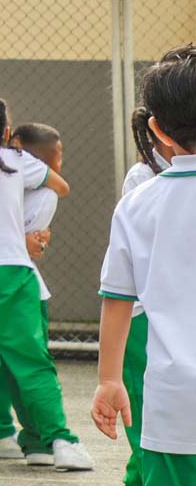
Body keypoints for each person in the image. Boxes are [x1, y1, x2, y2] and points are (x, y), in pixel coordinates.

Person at [0, 97, 93, 472]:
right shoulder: (18, 162)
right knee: (33, 365)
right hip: (13, 272)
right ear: (7, 133)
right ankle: (60, 442)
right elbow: (60, 186)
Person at [94, 46, 196, 486]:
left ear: (157, 129)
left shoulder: (137, 204)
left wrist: (109, 380)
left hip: (173, 405)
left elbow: (117, 299)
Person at [0, 122, 63, 466]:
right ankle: (39, 438)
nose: (55, 166)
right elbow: (57, 187)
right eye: (51, 159)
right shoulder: (23, 170)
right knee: (23, 364)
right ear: (8, 137)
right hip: (15, 279)